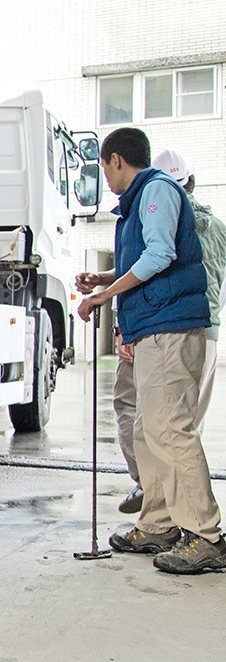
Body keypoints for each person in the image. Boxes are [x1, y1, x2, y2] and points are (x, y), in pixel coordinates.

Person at [75, 127, 225, 574]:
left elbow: (160, 255)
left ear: (116, 160)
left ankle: (206, 535)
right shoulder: (142, 198)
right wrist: (105, 279)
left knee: (171, 430)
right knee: (148, 431)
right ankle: (159, 523)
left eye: (104, 168)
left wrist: (104, 295)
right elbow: (150, 257)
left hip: (170, 327)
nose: (105, 179)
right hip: (153, 327)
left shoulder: (157, 189)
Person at [112, 148, 226, 515]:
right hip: (205, 329)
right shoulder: (218, 227)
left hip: (161, 328)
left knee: (153, 425)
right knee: (180, 426)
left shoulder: (158, 207)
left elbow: (152, 264)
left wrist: (120, 321)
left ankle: (183, 518)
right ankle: (164, 514)